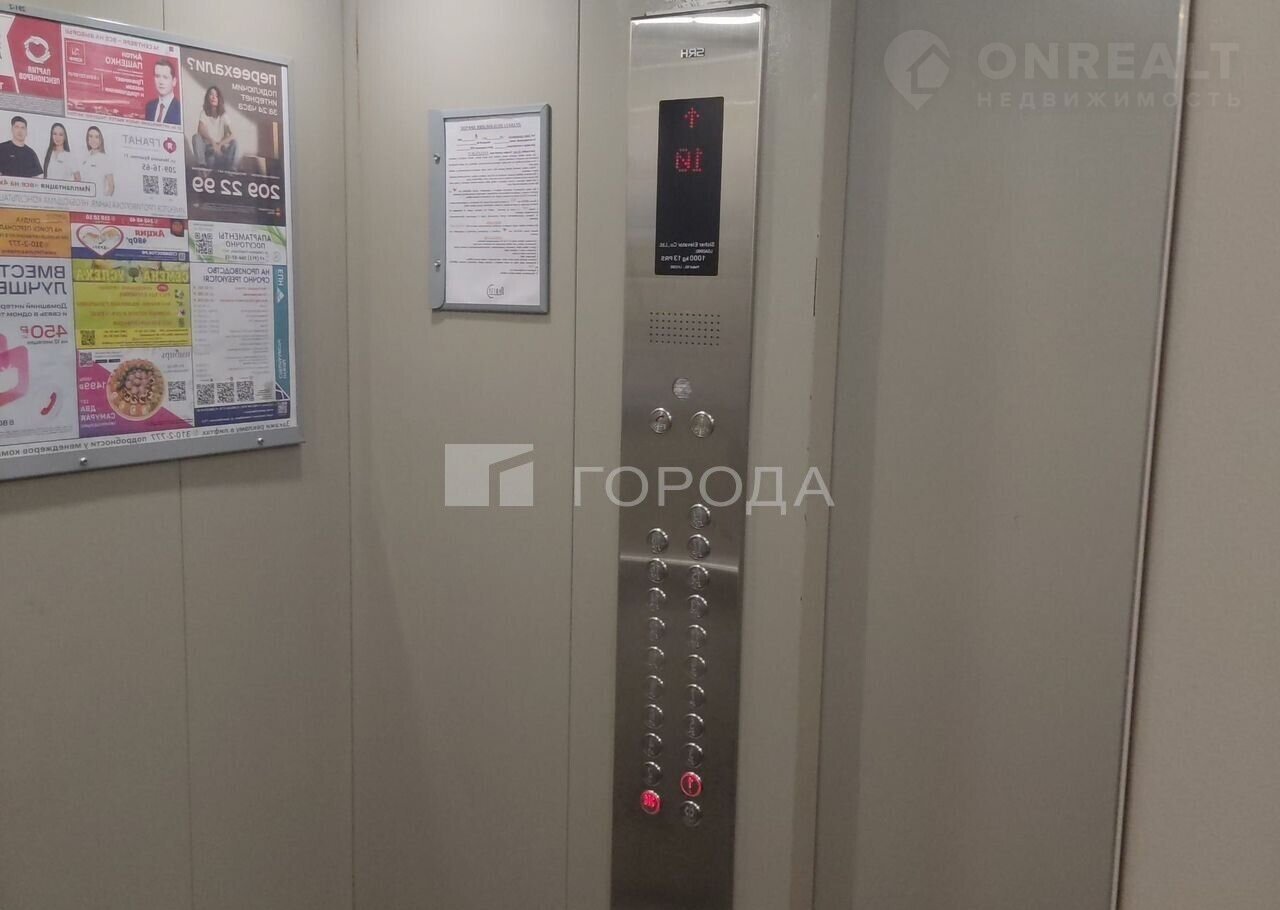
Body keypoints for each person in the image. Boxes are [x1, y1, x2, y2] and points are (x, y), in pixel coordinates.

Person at [192, 85, 238, 169]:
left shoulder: (223, 115)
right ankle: (202, 166)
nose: (214, 97)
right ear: (207, 97)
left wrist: (219, 144)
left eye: (216, 96)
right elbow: (200, 129)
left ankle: (231, 170)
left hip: (220, 151)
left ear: (219, 99)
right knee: (196, 137)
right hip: (209, 150)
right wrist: (212, 142)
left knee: (234, 142)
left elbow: (232, 135)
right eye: (211, 94)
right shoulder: (204, 113)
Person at [80, 126, 114, 198]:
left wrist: (104, 201)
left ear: (100, 140)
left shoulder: (104, 158)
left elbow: (111, 186)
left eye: (96, 137)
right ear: (87, 139)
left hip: (97, 199)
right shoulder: (85, 156)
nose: (93, 140)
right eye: (90, 136)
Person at [144, 60, 181, 125]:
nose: (161, 82)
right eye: (157, 76)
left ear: (174, 81)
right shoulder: (149, 107)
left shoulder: (180, 109)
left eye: (165, 77)